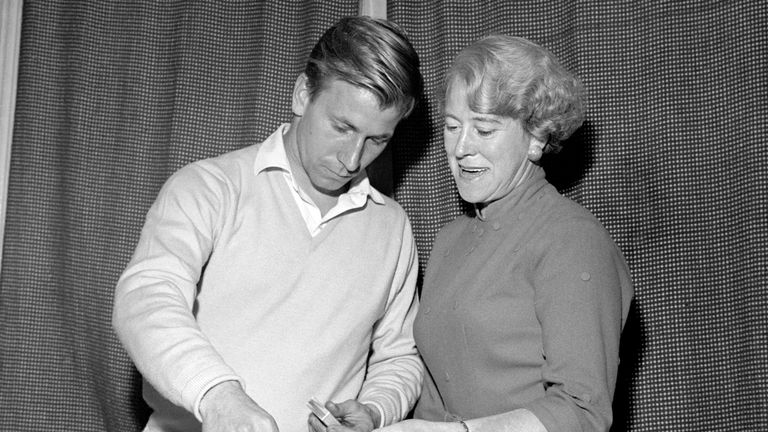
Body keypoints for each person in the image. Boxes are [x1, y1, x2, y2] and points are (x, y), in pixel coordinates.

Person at [112, 16, 424, 432]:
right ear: (301, 95)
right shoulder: (210, 187)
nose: (352, 159)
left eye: (377, 140)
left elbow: (399, 356)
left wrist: (376, 409)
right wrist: (218, 396)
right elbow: (146, 297)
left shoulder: (393, 227)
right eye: (342, 127)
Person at [375, 35, 634, 432]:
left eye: (484, 129)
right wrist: (377, 413)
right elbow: (436, 385)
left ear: (535, 137)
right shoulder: (448, 240)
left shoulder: (573, 240)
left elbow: (582, 411)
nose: (461, 148)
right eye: (452, 126)